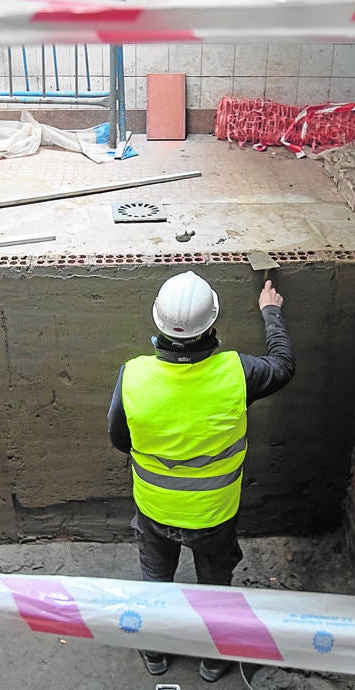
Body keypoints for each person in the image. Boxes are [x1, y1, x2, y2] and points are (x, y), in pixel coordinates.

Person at [107, 270, 294, 683]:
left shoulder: (133, 376)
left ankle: (155, 655)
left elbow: (120, 438)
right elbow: (282, 366)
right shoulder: (237, 373)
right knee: (214, 588)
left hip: (155, 511)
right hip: (214, 515)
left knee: (156, 586)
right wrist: (271, 313)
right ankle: (213, 661)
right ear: (213, 323)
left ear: (157, 323)